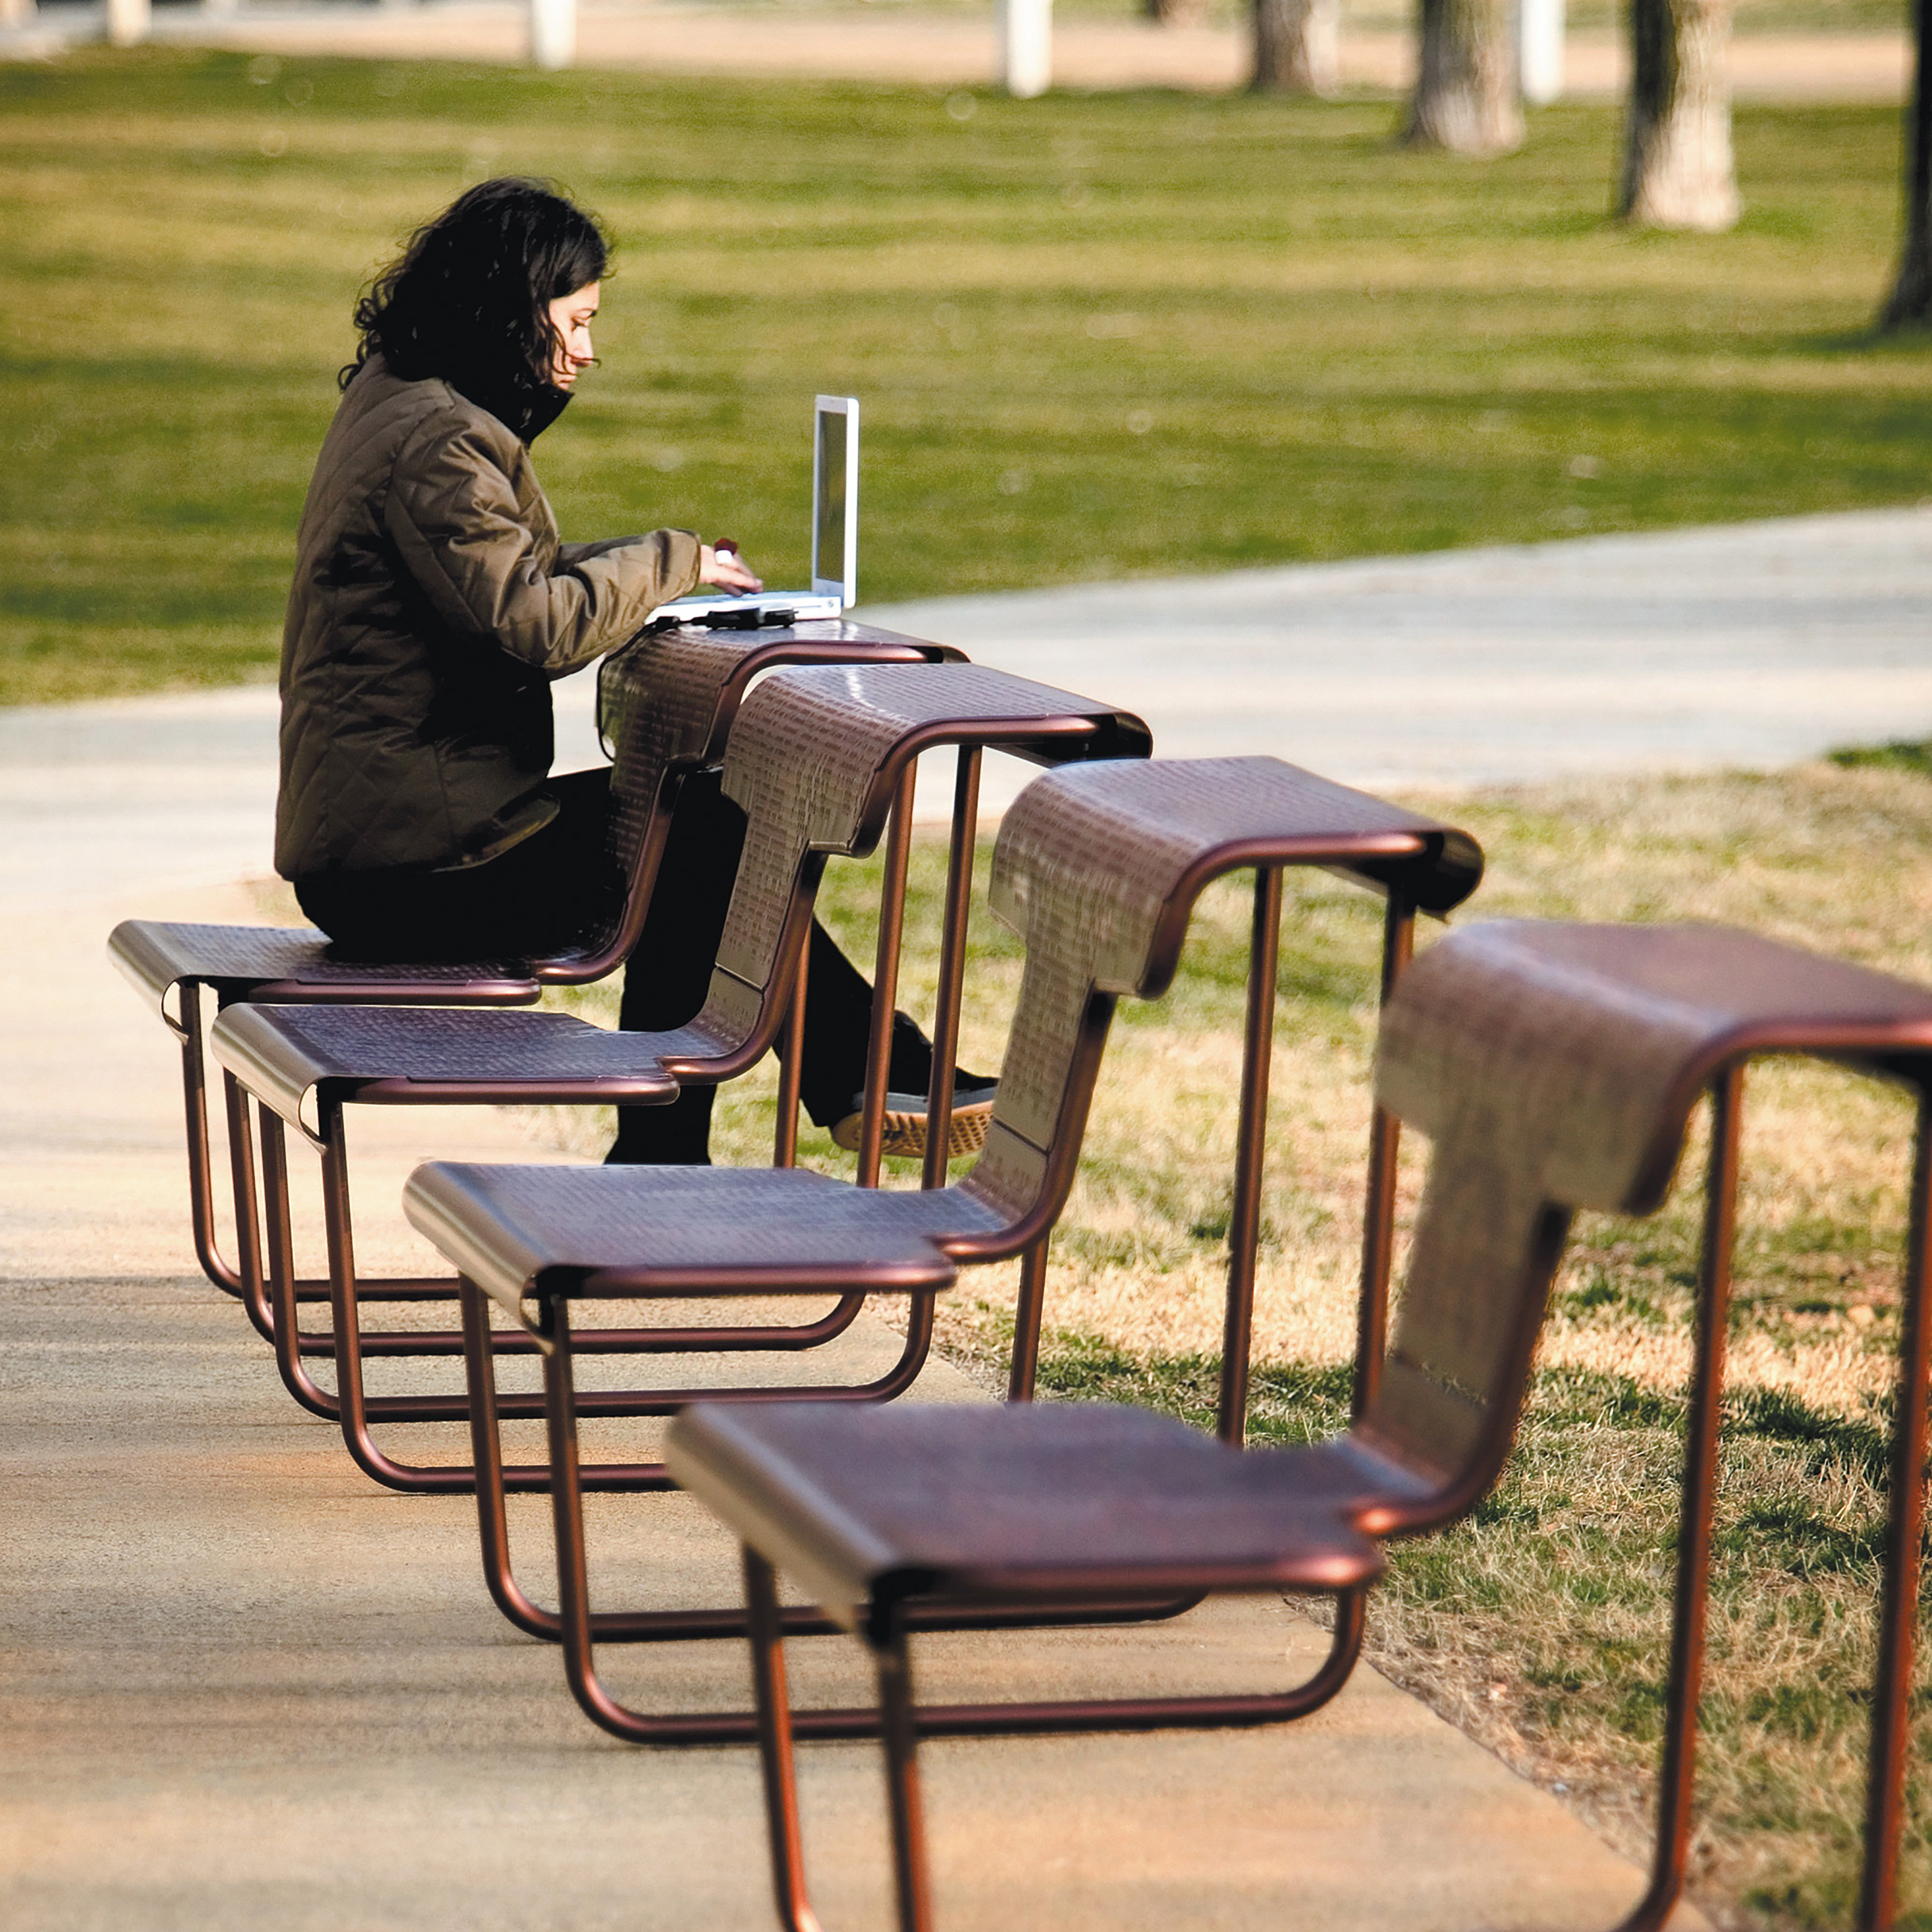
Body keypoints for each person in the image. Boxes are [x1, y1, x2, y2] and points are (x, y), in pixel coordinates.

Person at [275, 177, 988, 1164]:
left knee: (696, 831)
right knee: (703, 838)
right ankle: (826, 1086)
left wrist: (656, 576)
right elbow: (531, 623)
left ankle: (800, 1097)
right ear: (506, 311)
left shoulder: (400, 403)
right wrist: (670, 559)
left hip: (395, 842)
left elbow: (491, 583)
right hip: (410, 871)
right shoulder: (439, 438)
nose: (586, 349)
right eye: (573, 321)